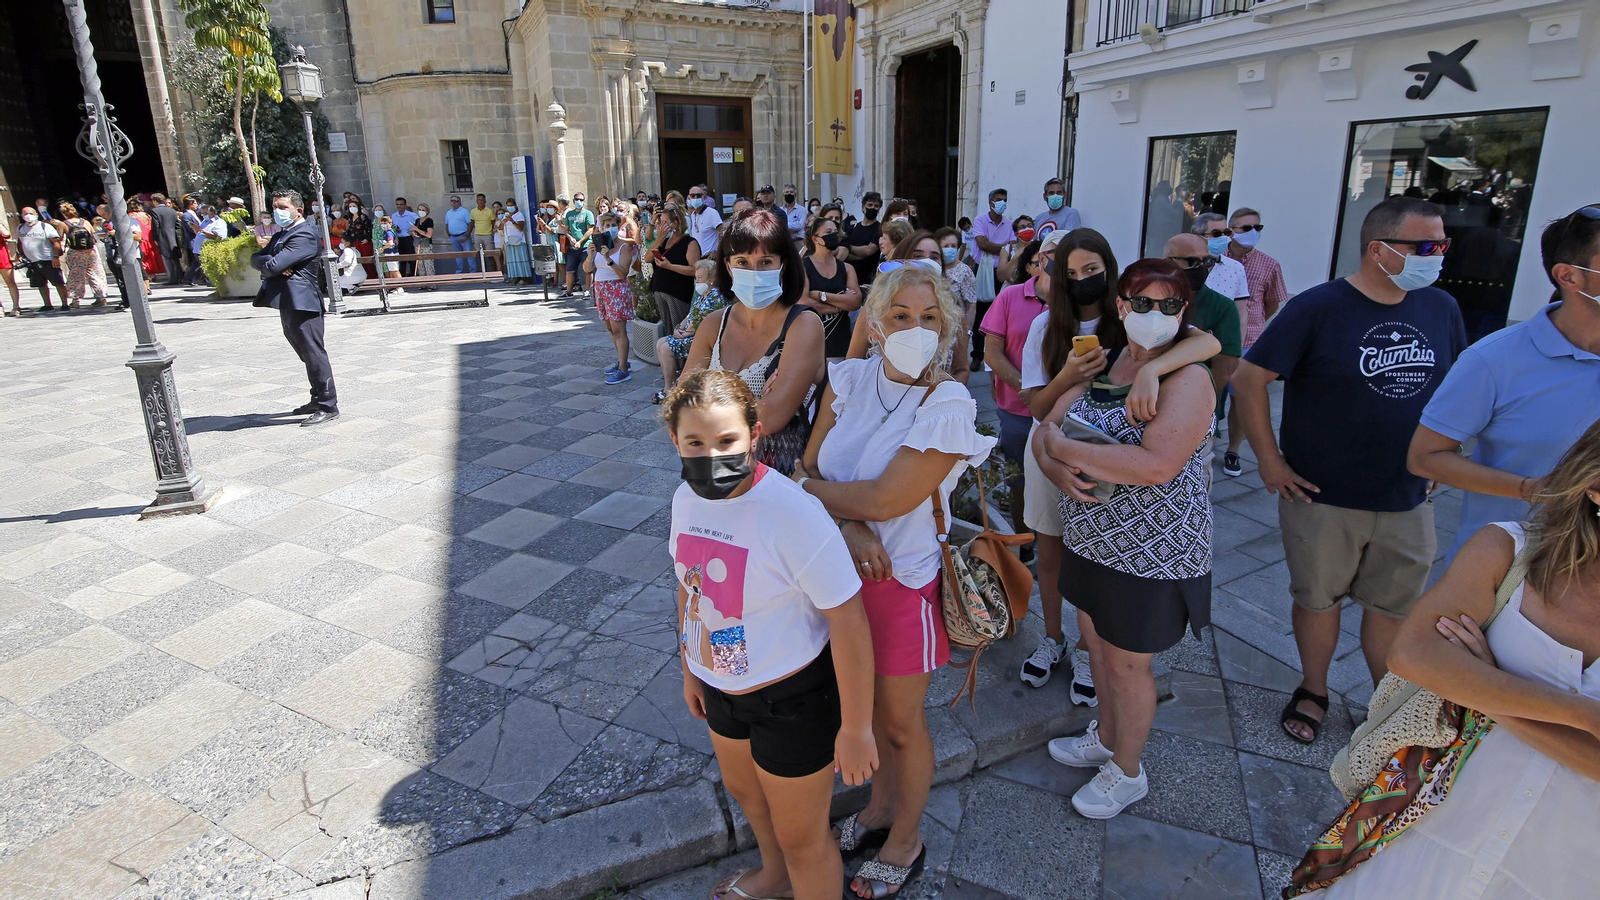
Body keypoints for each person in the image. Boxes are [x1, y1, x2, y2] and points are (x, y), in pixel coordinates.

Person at [1294, 418, 1600, 899]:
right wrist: (1583, 715)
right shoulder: (1509, 551)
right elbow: (1414, 654)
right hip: (1424, 830)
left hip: (1564, 870)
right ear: (1595, 488)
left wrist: (1484, 688)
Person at [1232, 196, 1467, 745]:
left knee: (1393, 606)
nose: (1436, 257)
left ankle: (1384, 701)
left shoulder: (1441, 308)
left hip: (1407, 497)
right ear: (1378, 249)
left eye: (1442, 245)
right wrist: (1269, 460)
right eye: (1424, 246)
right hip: (1322, 494)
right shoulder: (1318, 308)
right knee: (1318, 599)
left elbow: (1455, 387)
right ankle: (1314, 689)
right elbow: (1248, 378)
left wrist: (1445, 453)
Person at [796, 263, 995, 897]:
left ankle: (907, 837)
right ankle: (879, 809)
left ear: (948, 326)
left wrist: (817, 499)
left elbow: (884, 500)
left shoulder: (948, 404)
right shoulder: (849, 380)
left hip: (899, 584)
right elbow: (807, 461)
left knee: (902, 723)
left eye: (930, 317)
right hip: (835, 575)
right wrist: (845, 526)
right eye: (902, 316)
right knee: (863, 711)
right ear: (875, 324)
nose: (915, 328)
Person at [665, 369, 876, 900]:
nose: (711, 456)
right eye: (696, 442)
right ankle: (776, 876)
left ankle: (799, 874)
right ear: (676, 441)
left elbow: (848, 619)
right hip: (721, 687)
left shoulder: (792, 513)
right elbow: (688, 586)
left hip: (792, 698)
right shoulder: (684, 501)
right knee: (749, 795)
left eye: (727, 441)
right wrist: (692, 666)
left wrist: (856, 728)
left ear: (754, 437)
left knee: (802, 836)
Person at [1038, 258, 1218, 821]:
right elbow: (1050, 423)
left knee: (1126, 665)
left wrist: (1067, 452)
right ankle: (1108, 738)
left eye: (1169, 306)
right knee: (1096, 645)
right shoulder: (1112, 358)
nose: (1155, 315)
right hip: (1093, 539)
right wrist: (1054, 465)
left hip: (1151, 550)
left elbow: (1158, 463)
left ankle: (1128, 772)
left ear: (1183, 312)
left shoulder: (1189, 376)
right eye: (1143, 303)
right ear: (1122, 306)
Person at [1017, 230, 1221, 694]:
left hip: (1118, 475)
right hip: (1057, 442)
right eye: (1070, 274)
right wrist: (1069, 377)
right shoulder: (1046, 325)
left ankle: (1092, 658)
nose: (1082, 281)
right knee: (1052, 552)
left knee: (1115, 634)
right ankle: (1054, 639)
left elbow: (1204, 343)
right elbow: (1037, 409)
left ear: (1110, 273)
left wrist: (1151, 369)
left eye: (1092, 270)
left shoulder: (1126, 320)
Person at [1408, 204, 1600, 561]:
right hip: (1510, 572)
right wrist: (1537, 490)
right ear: (1570, 276)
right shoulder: (1494, 360)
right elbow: (1425, 458)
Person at [685, 208, 825, 476]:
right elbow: (684, 406)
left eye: (765, 262)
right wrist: (756, 402)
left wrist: (707, 400)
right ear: (727, 266)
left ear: (782, 265)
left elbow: (771, 420)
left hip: (781, 479)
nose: (754, 271)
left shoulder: (802, 325)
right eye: (742, 262)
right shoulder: (714, 324)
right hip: (714, 474)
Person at [251, 189, 338, 426]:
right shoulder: (282, 234)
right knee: (304, 354)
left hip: (304, 303)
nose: (277, 212)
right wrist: (273, 264)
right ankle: (317, 397)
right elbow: (256, 259)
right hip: (288, 301)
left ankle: (328, 405)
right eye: (275, 207)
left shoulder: (304, 235)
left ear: (298, 210)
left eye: (282, 207)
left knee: (313, 352)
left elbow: (271, 265)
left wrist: (274, 264)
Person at [980, 239, 1050, 531]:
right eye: (1039, 261)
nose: (1045, 266)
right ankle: (1024, 542)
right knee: (1019, 479)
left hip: (1063, 410)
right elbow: (992, 352)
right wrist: (1026, 387)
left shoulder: (1075, 300)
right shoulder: (1010, 296)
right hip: (1017, 408)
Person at [1165, 232, 1245, 474]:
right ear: (1168, 262)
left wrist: (1194, 403)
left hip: (1195, 414)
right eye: (1191, 261)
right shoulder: (1150, 300)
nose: (1200, 268)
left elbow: (1225, 367)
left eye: (1206, 261)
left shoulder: (1222, 307)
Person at [1220, 206, 1289, 477]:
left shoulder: (1269, 264)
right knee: (1211, 394)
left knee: (1242, 399)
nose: (1252, 233)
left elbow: (1272, 303)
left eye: (1257, 228)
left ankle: (1233, 449)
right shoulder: (1215, 258)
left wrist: (1252, 322)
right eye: (1246, 227)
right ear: (1231, 229)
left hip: (1249, 341)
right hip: (1215, 339)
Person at [657, 259, 728, 401]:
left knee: (666, 348)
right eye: (696, 278)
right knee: (660, 342)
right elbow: (690, 315)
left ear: (711, 279)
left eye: (700, 277)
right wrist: (679, 328)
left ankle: (669, 389)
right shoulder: (703, 295)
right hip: (689, 334)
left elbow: (701, 323)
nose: (697, 281)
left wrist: (682, 334)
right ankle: (672, 380)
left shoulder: (715, 296)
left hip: (702, 339)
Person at [800, 213, 862, 362]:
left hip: (840, 341)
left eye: (835, 231)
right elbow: (803, 303)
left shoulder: (847, 268)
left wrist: (822, 296)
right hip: (811, 341)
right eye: (828, 232)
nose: (833, 235)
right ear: (815, 239)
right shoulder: (803, 266)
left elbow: (855, 302)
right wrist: (841, 304)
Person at [585, 216, 636, 385]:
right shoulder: (598, 245)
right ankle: (622, 361)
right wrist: (591, 255)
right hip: (601, 289)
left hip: (617, 289)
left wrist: (608, 258)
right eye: (607, 225)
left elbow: (623, 273)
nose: (611, 228)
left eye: (614, 225)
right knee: (610, 328)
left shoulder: (624, 247)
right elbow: (588, 269)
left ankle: (623, 370)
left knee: (619, 329)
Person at [971, 189, 1016, 370]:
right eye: (998, 200)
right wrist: (1004, 248)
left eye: (1004, 200)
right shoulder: (980, 220)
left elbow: (1014, 246)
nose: (1001, 203)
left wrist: (998, 248)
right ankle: (976, 355)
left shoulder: (1009, 224)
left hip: (1002, 270)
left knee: (1002, 313)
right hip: (982, 270)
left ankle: (999, 354)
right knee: (980, 313)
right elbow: (982, 244)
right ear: (990, 202)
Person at [648, 202, 702, 329]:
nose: (660, 225)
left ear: (675, 223)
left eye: (664, 222)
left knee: (678, 329)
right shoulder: (664, 241)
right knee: (667, 330)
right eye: (660, 221)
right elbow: (647, 258)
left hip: (678, 293)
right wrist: (659, 239)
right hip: (660, 289)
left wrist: (670, 266)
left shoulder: (690, 243)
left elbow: (695, 270)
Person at [1191, 213, 1251, 313]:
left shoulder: (1236, 268)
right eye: (1216, 234)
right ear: (1198, 236)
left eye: (1226, 233)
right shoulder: (1182, 263)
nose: (1223, 237)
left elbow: (1241, 313)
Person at [17, 206, 69, 310]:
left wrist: (55, 257)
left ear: (36, 214)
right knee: (41, 284)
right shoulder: (20, 228)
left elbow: (55, 242)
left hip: (48, 259)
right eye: (25, 213)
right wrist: (20, 254)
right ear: (22, 216)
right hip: (33, 261)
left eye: (30, 213)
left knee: (58, 282)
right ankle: (47, 304)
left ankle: (65, 303)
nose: (28, 216)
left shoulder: (44, 226)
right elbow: (20, 242)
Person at [57, 203, 108, 307]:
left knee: (76, 275)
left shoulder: (63, 224)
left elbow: (59, 238)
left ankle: (75, 300)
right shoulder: (85, 222)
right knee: (95, 273)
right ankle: (101, 297)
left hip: (76, 252)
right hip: (91, 251)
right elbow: (93, 236)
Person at [843, 191, 884, 290]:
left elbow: (869, 251)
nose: (873, 208)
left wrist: (850, 247)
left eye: (876, 206)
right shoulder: (853, 228)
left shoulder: (879, 229)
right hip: (849, 277)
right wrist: (859, 255)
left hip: (868, 278)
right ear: (863, 207)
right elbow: (843, 253)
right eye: (870, 205)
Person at [562, 192, 596, 297]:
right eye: (577, 199)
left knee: (588, 269)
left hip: (585, 245)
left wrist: (580, 241)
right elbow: (566, 230)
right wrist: (570, 238)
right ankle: (568, 291)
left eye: (581, 200)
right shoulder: (569, 214)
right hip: (572, 246)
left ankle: (587, 291)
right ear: (573, 201)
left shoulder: (588, 213)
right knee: (569, 269)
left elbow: (590, 230)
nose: (579, 202)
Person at [1033, 176, 1082, 241]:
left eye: (1059, 193)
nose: (1055, 196)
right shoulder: (1039, 218)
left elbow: (1070, 240)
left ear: (1064, 195)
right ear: (1045, 196)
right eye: (1051, 193)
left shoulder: (1071, 213)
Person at [149, 193, 182, 285]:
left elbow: (156, 226)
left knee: (166, 257)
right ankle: (180, 276)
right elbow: (177, 225)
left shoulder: (155, 211)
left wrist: (155, 238)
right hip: (172, 235)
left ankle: (172, 278)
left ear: (155, 201)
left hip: (162, 236)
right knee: (175, 258)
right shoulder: (172, 211)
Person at [501, 197, 532, 284]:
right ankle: (516, 276)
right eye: (508, 206)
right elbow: (500, 227)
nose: (510, 207)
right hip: (509, 240)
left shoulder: (519, 215)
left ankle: (524, 277)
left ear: (515, 206)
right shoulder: (505, 215)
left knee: (520, 259)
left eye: (511, 205)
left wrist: (512, 221)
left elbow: (520, 228)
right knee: (513, 260)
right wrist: (503, 221)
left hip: (519, 240)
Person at [444, 195, 472, 275]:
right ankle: (459, 272)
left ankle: (473, 272)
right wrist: (449, 235)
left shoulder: (464, 211)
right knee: (457, 256)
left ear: (459, 202)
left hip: (464, 236)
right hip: (453, 237)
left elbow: (470, 224)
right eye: (452, 200)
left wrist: (466, 235)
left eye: (456, 201)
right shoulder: (448, 213)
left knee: (469, 254)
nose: (454, 202)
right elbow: (446, 224)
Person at [469, 194, 496, 273]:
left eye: (482, 200)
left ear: (485, 201)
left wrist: (489, 231)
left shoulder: (490, 211)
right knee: (480, 256)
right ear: (476, 201)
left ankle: (493, 274)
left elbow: (493, 223)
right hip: (477, 235)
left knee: (490, 255)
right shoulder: (473, 211)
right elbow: (472, 223)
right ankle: (484, 273)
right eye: (478, 200)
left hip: (487, 235)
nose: (480, 202)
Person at [391, 198, 418, 277]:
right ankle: (402, 276)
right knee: (401, 259)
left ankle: (413, 275)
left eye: (401, 204)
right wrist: (396, 229)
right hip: (399, 239)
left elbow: (419, 224)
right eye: (397, 204)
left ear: (405, 205)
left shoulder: (411, 215)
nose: (399, 206)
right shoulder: (394, 215)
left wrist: (413, 231)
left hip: (408, 239)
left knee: (411, 258)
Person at [0, 216, 20, 316]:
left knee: (10, 281)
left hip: (1, 255)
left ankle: (16, 306)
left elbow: (6, 234)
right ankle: (0, 307)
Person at [180, 196, 203, 283]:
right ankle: (189, 278)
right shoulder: (186, 215)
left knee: (197, 261)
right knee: (199, 260)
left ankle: (189, 278)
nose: (197, 205)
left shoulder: (194, 214)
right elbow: (190, 228)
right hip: (193, 240)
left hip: (198, 239)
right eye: (195, 203)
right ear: (190, 204)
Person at [411, 203, 435, 277]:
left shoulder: (429, 221)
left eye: (423, 210)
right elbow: (417, 232)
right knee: (420, 264)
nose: (421, 211)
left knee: (428, 264)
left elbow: (429, 234)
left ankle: (431, 284)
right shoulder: (417, 220)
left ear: (427, 211)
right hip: (418, 244)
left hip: (426, 245)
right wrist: (414, 233)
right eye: (419, 209)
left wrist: (417, 229)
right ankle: (423, 283)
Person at [780, 183, 807, 247]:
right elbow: (778, 226)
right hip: (783, 243)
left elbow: (800, 225)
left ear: (795, 195)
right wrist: (792, 226)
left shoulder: (802, 210)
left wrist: (784, 225)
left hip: (797, 242)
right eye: (787, 192)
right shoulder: (780, 210)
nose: (789, 194)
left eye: (791, 192)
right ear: (783, 195)